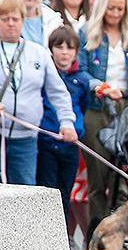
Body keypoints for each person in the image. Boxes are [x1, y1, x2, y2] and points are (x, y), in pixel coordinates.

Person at [0, 0, 78, 185]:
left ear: (23, 20)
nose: (11, 24)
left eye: (15, 19)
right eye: (5, 19)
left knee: (25, 188)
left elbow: (58, 92)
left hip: (26, 139)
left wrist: (67, 123)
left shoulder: (39, 53)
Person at [78, 0, 128, 237]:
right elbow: (81, 70)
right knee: (98, 173)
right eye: (111, 8)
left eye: (120, 9)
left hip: (127, 107)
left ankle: (118, 233)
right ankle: (96, 231)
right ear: (102, 7)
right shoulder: (87, 32)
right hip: (98, 106)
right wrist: (99, 86)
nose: (116, 14)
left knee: (122, 173)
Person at [38, 25, 90, 235]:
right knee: (48, 189)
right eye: (59, 47)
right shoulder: (44, 75)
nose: (64, 52)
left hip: (71, 144)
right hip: (48, 140)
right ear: (51, 49)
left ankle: (63, 236)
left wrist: (75, 126)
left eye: (70, 48)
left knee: (65, 191)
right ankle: (48, 235)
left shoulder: (82, 79)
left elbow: (83, 105)